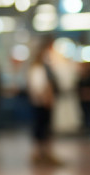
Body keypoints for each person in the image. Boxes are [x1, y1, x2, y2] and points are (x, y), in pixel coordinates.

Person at [27, 37, 63, 166]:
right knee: (40, 128)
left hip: (44, 103)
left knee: (45, 128)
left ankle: (45, 153)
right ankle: (39, 153)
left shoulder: (45, 66)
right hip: (41, 103)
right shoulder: (38, 68)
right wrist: (45, 98)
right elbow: (38, 87)